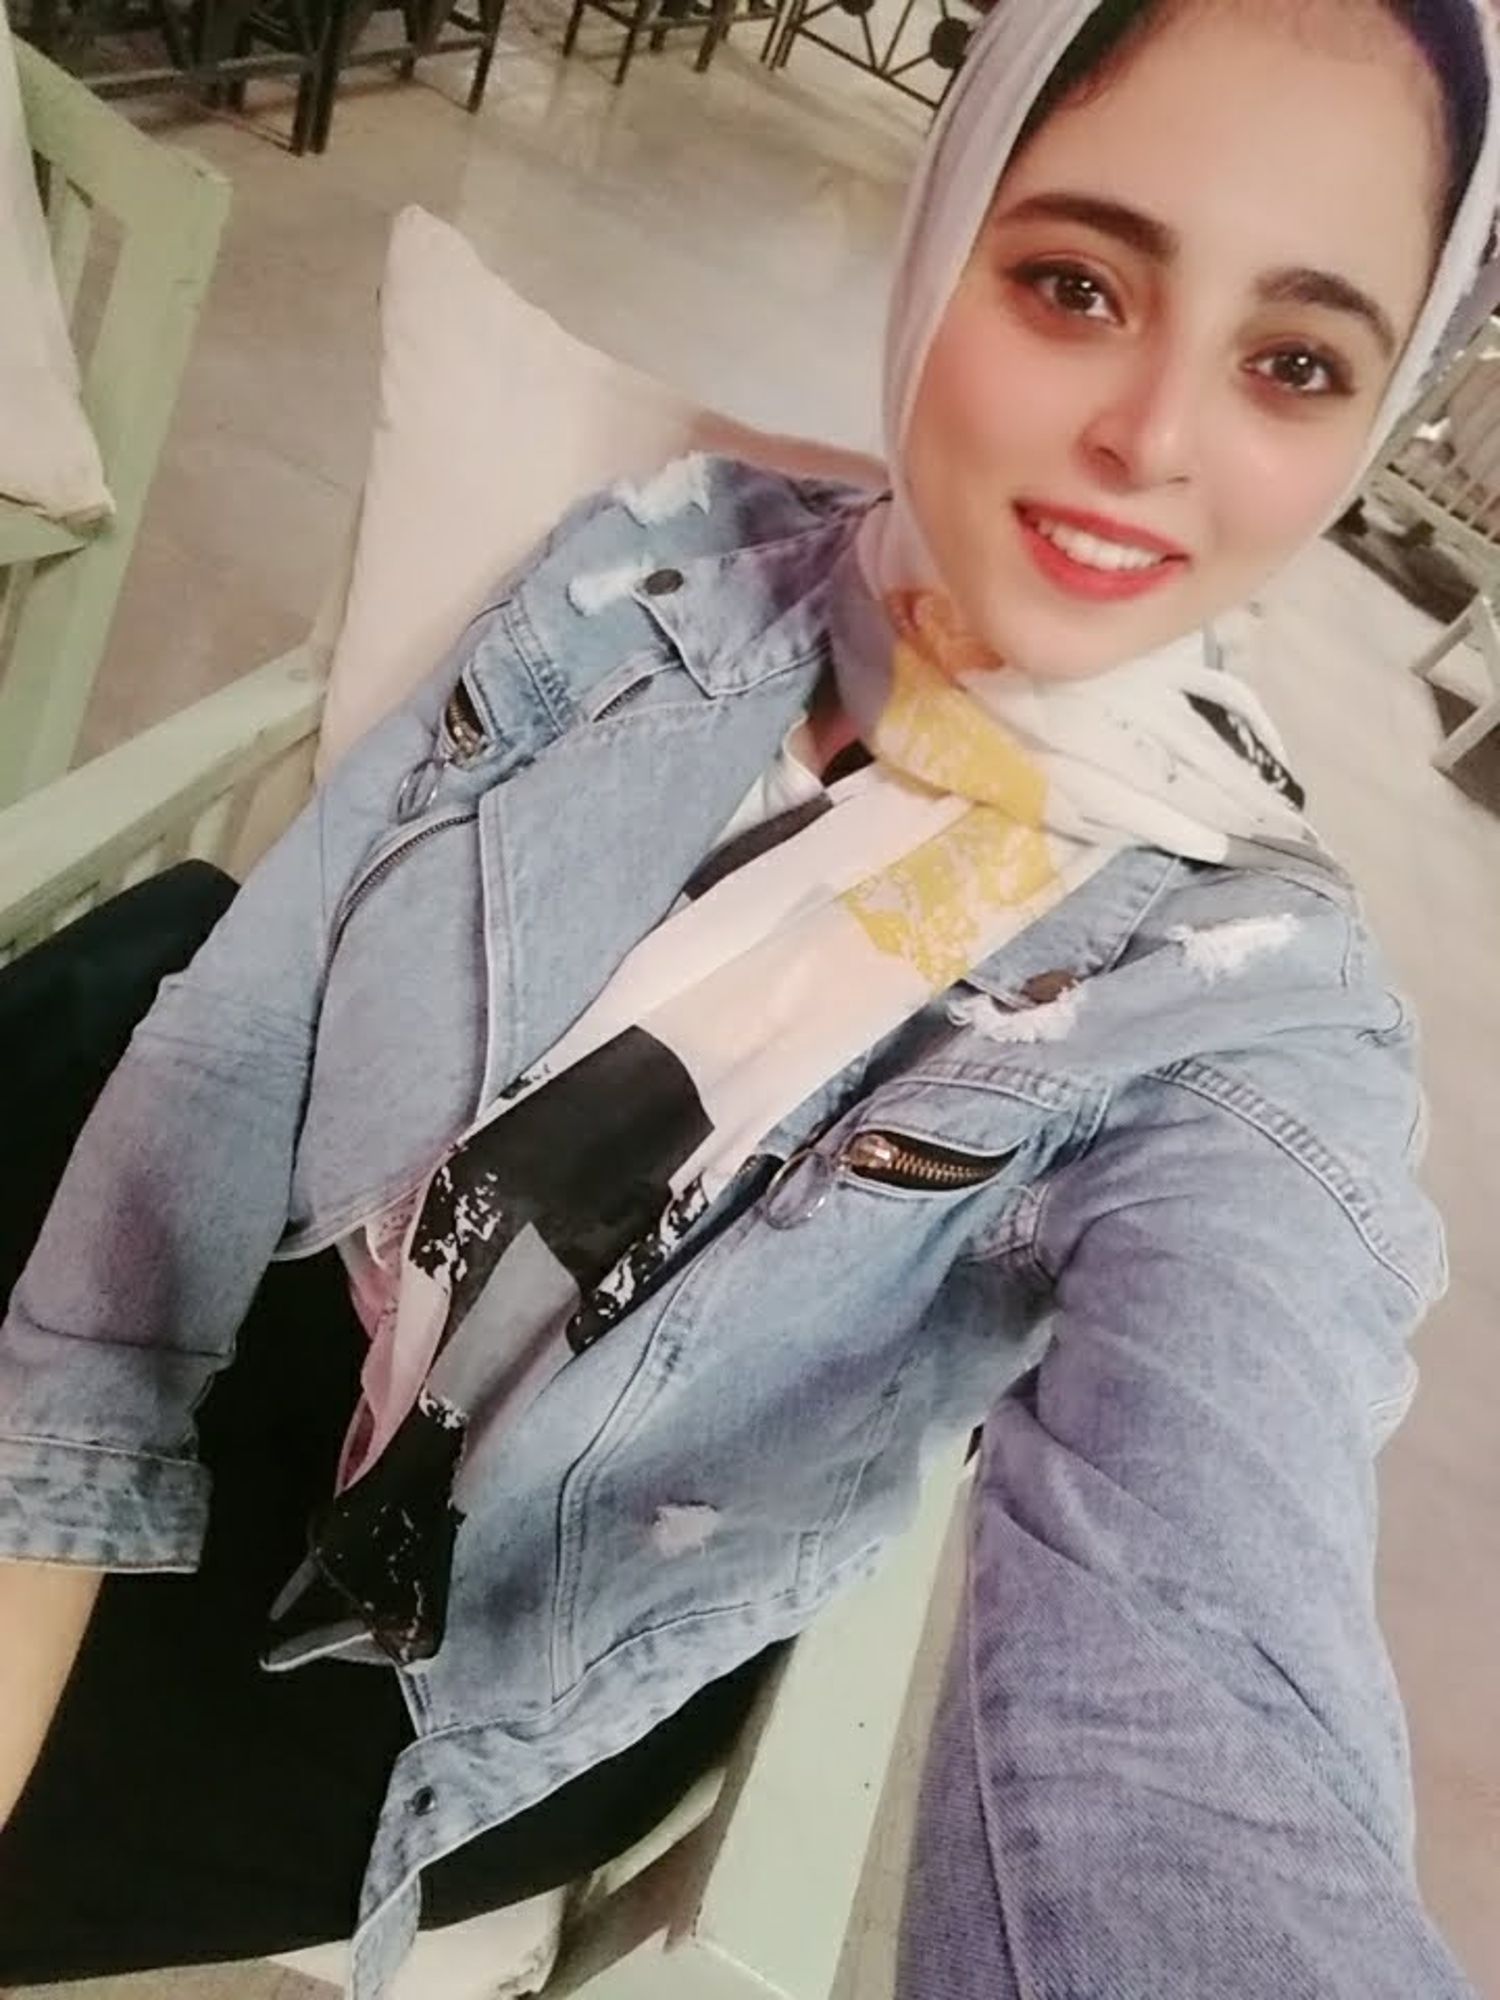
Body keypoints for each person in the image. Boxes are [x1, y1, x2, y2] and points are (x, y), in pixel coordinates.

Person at [2, 0, 1496, 1994]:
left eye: (1292, 363)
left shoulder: (1239, 1008)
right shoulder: (659, 578)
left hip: (462, 1622)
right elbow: (241, 1039)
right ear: (943, 237)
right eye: (1075, 284)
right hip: (251, 1270)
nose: (1153, 439)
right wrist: (56, 1478)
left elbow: (1205, 1647)